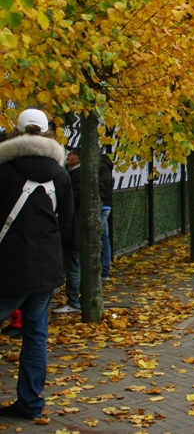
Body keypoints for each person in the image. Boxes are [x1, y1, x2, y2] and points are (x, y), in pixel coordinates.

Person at [0, 108, 73, 421]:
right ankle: (30, 403)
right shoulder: (60, 175)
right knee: (35, 336)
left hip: (8, 267)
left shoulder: (4, 171)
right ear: (47, 133)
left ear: (16, 131)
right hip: (46, 269)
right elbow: (66, 224)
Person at [54, 147, 83, 314]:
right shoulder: (72, 174)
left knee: (73, 265)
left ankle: (73, 301)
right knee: (74, 264)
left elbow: (74, 198)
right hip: (73, 225)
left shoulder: (76, 176)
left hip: (73, 226)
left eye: (72, 154)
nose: (69, 156)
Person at [99, 151, 114, 280]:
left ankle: (104, 270)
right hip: (106, 205)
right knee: (104, 238)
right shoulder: (107, 169)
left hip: (100, 205)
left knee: (102, 238)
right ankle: (105, 270)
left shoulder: (98, 168)